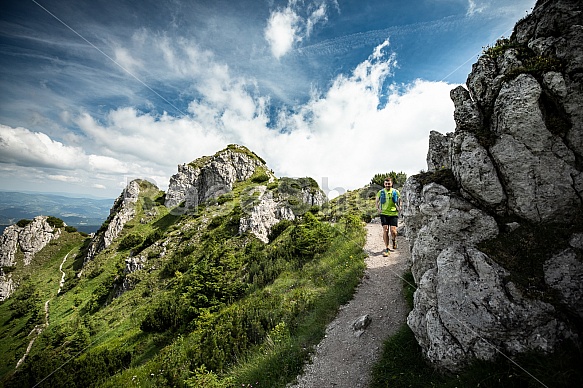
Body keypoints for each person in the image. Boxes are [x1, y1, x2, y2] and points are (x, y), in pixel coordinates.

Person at [376, 177, 401, 257]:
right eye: (386, 183)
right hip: (384, 213)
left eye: (389, 183)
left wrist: (399, 207)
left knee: (393, 231)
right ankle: (387, 248)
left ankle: (393, 240)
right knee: (385, 229)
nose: (387, 185)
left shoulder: (396, 192)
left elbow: (400, 200)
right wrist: (378, 208)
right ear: (384, 184)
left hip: (393, 213)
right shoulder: (381, 192)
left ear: (391, 184)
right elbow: (377, 201)